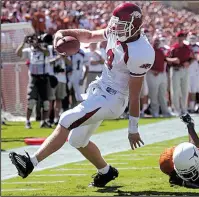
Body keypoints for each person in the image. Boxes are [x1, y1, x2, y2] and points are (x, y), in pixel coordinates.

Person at [9, 3, 155, 187]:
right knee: (77, 140)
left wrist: (133, 129)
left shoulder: (142, 51)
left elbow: (135, 95)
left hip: (113, 99)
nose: (115, 28)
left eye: (121, 25)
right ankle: (106, 171)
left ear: (134, 25)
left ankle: (30, 163)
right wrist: (63, 32)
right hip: (99, 91)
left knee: (66, 118)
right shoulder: (117, 31)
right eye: (115, 23)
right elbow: (88, 36)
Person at [16, 34, 52, 129]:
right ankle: (27, 121)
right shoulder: (29, 51)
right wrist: (23, 43)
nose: (33, 41)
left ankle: (44, 121)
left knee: (45, 102)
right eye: (32, 40)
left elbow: (47, 53)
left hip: (43, 77)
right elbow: (18, 53)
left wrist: (38, 46)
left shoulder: (44, 47)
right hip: (33, 77)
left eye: (35, 39)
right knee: (31, 101)